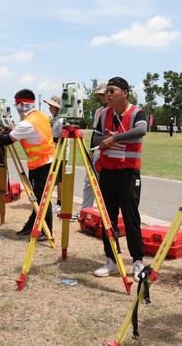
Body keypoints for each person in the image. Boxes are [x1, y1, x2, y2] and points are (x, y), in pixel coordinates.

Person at [92, 77, 147, 281]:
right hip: (108, 172)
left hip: (129, 173)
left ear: (125, 92)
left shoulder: (136, 112)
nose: (108, 94)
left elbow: (141, 132)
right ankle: (111, 260)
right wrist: (105, 140)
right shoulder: (103, 113)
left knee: (131, 218)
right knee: (109, 219)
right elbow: (95, 139)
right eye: (107, 91)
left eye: (112, 91)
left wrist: (113, 138)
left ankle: (138, 261)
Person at [0, 89, 54, 239]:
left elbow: (7, 140)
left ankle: (46, 232)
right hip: (46, 160)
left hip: (40, 164)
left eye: (16, 105)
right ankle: (31, 226)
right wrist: (12, 129)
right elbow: (27, 132)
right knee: (38, 198)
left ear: (22, 105)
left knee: (41, 200)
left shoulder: (27, 123)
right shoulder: (40, 116)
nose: (16, 108)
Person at [73, 83, 108, 220]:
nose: (102, 97)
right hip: (97, 150)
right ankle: (85, 211)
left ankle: (103, 214)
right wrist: (92, 150)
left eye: (103, 94)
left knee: (104, 183)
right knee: (89, 182)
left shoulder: (116, 111)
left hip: (109, 150)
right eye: (101, 95)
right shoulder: (100, 111)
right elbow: (96, 133)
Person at [43, 95, 64, 215]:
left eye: (52, 106)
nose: (50, 108)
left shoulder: (61, 120)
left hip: (60, 154)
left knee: (60, 179)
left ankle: (60, 203)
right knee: (54, 178)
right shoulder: (54, 119)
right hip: (53, 153)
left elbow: (61, 137)